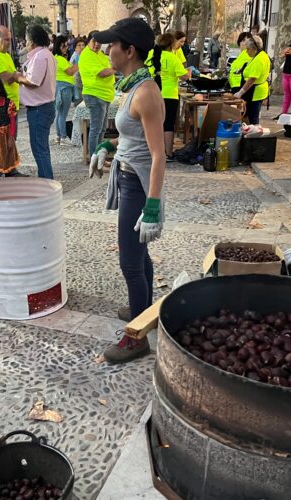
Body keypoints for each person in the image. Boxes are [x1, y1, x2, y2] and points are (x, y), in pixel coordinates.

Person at [92, 18, 166, 363]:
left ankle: (137, 338)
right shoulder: (132, 86)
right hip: (127, 176)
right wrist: (107, 145)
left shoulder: (147, 92)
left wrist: (152, 207)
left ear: (129, 50)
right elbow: (132, 137)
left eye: (112, 46)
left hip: (138, 184)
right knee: (140, 256)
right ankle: (145, 309)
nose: (107, 51)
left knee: (130, 264)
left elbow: (157, 154)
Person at [15, 25, 57, 180]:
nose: (26, 43)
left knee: (40, 149)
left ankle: (47, 182)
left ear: (31, 41)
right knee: (40, 147)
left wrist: (17, 77)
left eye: (26, 40)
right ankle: (45, 179)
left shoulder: (40, 56)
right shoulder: (44, 55)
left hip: (40, 109)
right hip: (41, 108)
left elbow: (34, 81)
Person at [151, 33, 188, 161]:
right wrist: (189, 72)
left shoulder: (152, 55)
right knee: (168, 124)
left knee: (154, 123)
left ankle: (155, 152)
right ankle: (168, 153)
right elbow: (184, 76)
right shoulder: (173, 58)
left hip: (154, 93)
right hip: (170, 95)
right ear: (171, 44)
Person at [80, 31, 116, 158]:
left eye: (99, 42)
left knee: (102, 128)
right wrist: (116, 68)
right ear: (88, 41)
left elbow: (108, 66)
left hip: (104, 94)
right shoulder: (87, 55)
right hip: (94, 94)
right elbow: (102, 72)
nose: (96, 44)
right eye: (94, 41)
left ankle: (100, 155)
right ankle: (94, 157)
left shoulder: (99, 54)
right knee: (96, 128)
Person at [233, 35, 270, 125]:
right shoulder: (260, 55)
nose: (246, 51)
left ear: (254, 48)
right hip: (254, 91)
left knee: (253, 117)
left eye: (248, 49)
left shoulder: (259, 59)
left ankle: (254, 135)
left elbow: (252, 79)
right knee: (251, 116)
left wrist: (240, 92)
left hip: (255, 93)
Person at [52, 36, 78, 146]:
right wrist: (80, 63)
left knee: (59, 113)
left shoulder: (56, 58)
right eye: (64, 46)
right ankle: (63, 136)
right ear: (58, 46)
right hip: (64, 87)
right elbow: (70, 71)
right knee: (63, 113)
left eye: (67, 45)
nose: (66, 48)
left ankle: (58, 136)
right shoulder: (60, 59)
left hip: (60, 87)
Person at [71, 37, 86, 103]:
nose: (82, 47)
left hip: (83, 84)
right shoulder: (76, 57)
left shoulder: (82, 55)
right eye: (79, 45)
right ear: (75, 47)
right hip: (78, 84)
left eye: (83, 45)